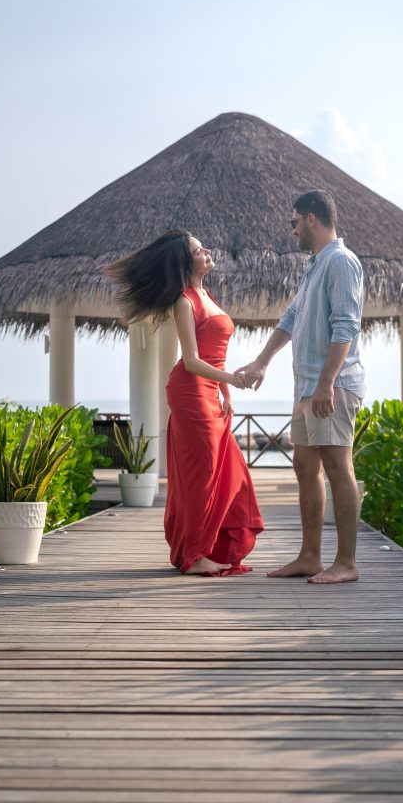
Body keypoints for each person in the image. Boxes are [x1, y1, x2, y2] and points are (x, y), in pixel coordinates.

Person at [105, 230, 264, 576]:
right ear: (184, 261)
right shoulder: (184, 302)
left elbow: (216, 354)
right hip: (191, 392)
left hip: (211, 391)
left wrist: (227, 394)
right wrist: (230, 380)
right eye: (197, 250)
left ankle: (211, 546)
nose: (207, 250)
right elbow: (191, 361)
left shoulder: (208, 295)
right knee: (202, 475)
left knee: (226, 470)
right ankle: (194, 554)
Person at [235, 190, 365, 585]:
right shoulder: (314, 266)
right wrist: (262, 361)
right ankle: (310, 557)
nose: (291, 230)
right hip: (307, 387)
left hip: (332, 385)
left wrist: (327, 383)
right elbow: (292, 318)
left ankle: (346, 563)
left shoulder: (341, 261)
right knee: (305, 466)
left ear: (311, 218)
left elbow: (346, 326)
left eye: (293, 222)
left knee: (337, 466)